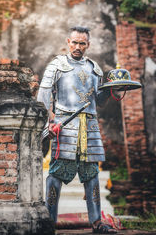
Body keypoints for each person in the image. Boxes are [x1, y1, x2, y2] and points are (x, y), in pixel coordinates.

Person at [37, 26, 117, 234]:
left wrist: (111, 89)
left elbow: (97, 101)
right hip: (65, 127)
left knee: (92, 175)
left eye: (82, 43)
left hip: (89, 128)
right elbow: (43, 98)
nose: (78, 47)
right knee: (56, 175)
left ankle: (97, 222)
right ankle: (49, 221)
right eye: (74, 42)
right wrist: (48, 123)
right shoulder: (57, 65)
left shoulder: (94, 68)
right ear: (68, 41)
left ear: (88, 45)